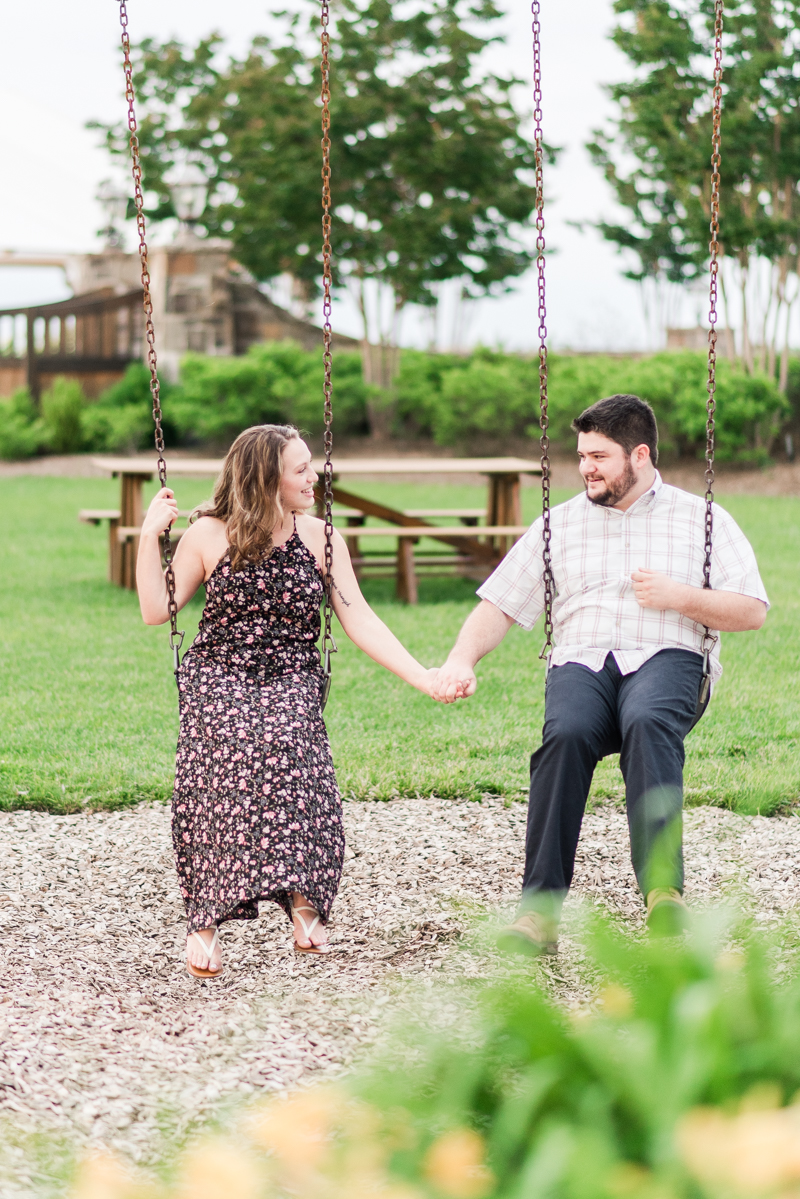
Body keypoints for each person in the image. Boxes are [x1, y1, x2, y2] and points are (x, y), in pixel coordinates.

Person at [433, 394, 768, 951]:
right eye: (582, 455)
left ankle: (664, 894)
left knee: (647, 720)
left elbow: (752, 610)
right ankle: (539, 912)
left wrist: (681, 596)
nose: (585, 467)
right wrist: (460, 659)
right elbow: (500, 602)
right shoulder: (559, 523)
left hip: (667, 654)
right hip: (582, 660)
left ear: (639, 455)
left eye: (599, 456)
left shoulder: (701, 519)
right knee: (563, 735)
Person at [137, 425, 436, 978]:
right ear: (265, 478)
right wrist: (148, 537)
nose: (314, 475)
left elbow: (359, 618)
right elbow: (157, 610)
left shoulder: (323, 538)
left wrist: (423, 676)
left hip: (291, 677)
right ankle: (204, 922)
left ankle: (304, 902)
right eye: (300, 469)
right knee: (225, 756)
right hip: (219, 672)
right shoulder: (208, 534)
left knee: (287, 745)